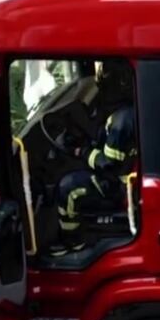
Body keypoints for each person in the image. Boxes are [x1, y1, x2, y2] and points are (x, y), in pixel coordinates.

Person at [49, 102, 137, 256]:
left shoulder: (120, 121)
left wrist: (80, 151)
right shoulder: (131, 112)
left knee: (68, 188)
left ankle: (72, 241)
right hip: (131, 179)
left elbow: (108, 165)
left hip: (121, 187)